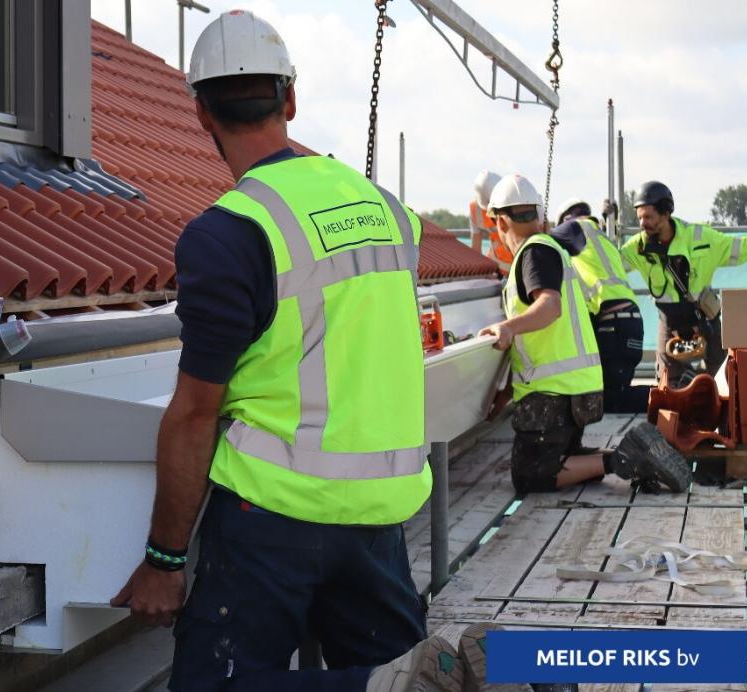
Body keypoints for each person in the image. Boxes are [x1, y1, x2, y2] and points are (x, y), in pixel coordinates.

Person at [109, 10, 518, 692]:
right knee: (409, 675)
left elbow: (194, 413)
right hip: (379, 512)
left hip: (272, 517)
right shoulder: (389, 212)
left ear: (201, 113)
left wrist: (164, 560)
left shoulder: (227, 233)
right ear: (290, 100)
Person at [481, 174, 692, 495]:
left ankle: (621, 458)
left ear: (498, 221)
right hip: (576, 394)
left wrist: (507, 327)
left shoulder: (534, 252)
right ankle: (634, 453)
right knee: (566, 457)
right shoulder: (557, 253)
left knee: (531, 475)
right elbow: (537, 343)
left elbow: (549, 306)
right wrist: (505, 392)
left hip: (553, 398)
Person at [620, 181, 747, 387]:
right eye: (639, 217)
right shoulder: (638, 247)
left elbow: (745, 248)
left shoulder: (702, 239)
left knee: (723, 377)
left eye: (648, 217)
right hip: (669, 321)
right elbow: (610, 264)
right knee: (667, 382)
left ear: (666, 213)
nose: (642, 223)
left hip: (704, 318)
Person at [551, 199, 650, 413]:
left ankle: (671, 398)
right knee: (617, 391)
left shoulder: (573, 228)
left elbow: (539, 241)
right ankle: (672, 395)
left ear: (565, 220)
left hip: (614, 325)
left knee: (610, 399)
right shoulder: (600, 239)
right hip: (631, 322)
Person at [469, 169, 513, 275]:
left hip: (518, 267)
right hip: (495, 268)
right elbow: (476, 249)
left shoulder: (516, 203)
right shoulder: (475, 209)